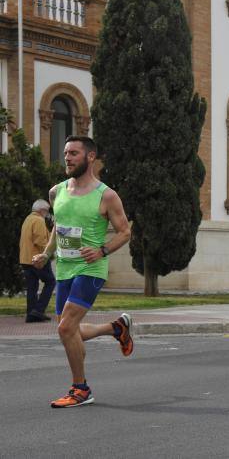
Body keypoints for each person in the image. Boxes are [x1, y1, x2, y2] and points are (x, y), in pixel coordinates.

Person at [31, 136, 132, 408]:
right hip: (65, 267)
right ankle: (116, 328)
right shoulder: (56, 192)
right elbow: (58, 226)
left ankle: (81, 388)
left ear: (90, 157)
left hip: (91, 268)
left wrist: (102, 250)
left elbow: (125, 232)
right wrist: (47, 253)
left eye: (74, 153)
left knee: (65, 328)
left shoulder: (106, 195)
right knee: (69, 329)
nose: (67, 158)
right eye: (65, 153)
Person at [19, 199, 56, 323]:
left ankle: (31, 314)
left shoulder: (28, 219)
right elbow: (41, 241)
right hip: (37, 259)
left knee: (32, 287)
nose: (48, 214)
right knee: (50, 282)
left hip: (25, 259)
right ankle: (39, 310)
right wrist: (49, 253)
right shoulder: (39, 220)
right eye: (47, 211)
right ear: (42, 210)